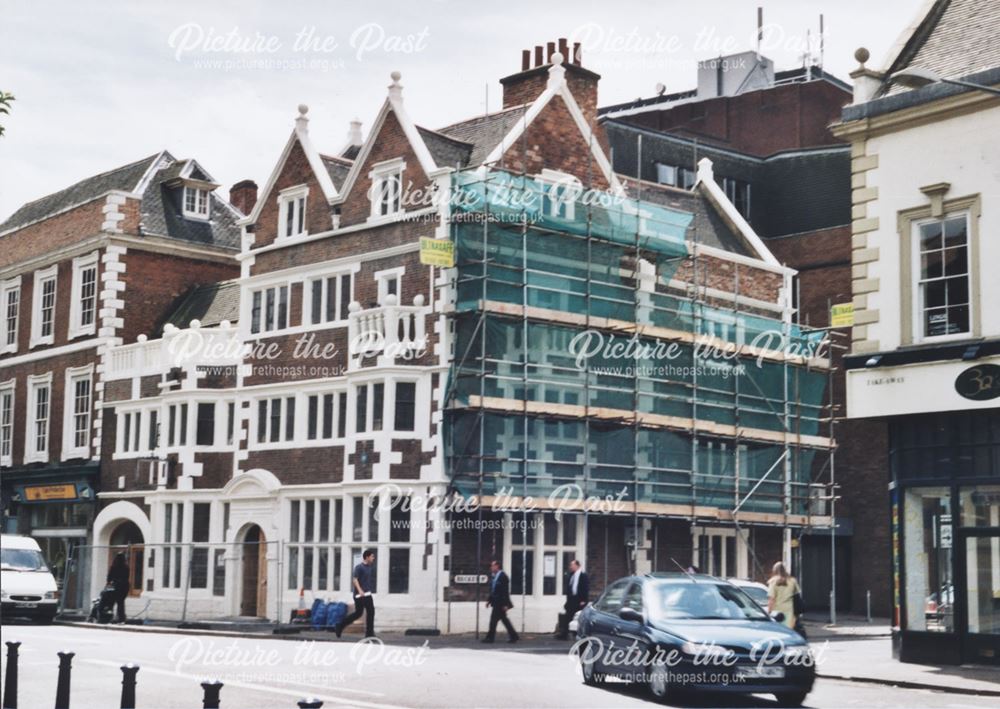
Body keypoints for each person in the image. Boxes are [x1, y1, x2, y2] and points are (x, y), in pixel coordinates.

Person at [335, 548, 376, 638]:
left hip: (367, 594)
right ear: (367, 557)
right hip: (359, 595)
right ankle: (340, 626)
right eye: (372, 556)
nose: (374, 558)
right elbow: (354, 580)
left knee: (370, 612)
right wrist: (360, 590)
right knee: (359, 613)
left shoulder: (369, 567)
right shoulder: (359, 567)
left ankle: (369, 633)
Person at [482, 560, 518, 643]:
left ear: (497, 566)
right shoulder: (494, 576)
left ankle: (490, 638)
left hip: (500, 602)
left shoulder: (503, 576)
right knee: (504, 620)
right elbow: (493, 590)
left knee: (493, 620)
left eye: (492, 566)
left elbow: (505, 591)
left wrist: (505, 604)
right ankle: (514, 636)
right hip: (496, 602)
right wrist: (489, 601)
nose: (491, 567)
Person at [556, 559, 589, 639]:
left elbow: (585, 588)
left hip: (579, 599)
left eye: (572, 565)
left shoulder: (583, 575)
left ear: (577, 566)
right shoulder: (571, 575)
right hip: (571, 599)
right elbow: (570, 586)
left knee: (578, 617)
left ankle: (577, 634)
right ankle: (564, 634)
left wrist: (583, 600)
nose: (571, 567)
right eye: (570, 565)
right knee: (568, 617)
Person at [766, 561, 801, 631]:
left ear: (774, 571)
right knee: (789, 631)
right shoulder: (792, 581)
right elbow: (797, 595)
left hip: (777, 612)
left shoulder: (773, 582)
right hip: (790, 611)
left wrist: (769, 612)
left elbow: (771, 599)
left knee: (779, 632)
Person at [106, 552, 130, 623]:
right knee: (121, 602)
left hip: (115, 586)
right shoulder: (126, 567)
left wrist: (109, 583)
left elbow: (109, 577)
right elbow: (127, 576)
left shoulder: (113, 567)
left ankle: (109, 617)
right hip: (124, 586)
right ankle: (121, 618)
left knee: (111, 602)